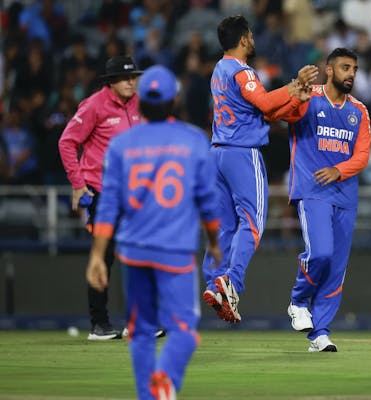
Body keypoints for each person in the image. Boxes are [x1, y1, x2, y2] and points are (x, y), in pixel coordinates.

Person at [86, 65, 221, 400]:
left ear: (141, 101)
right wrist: (216, 242)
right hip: (175, 250)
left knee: (142, 331)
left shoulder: (121, 145)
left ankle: (148, 395)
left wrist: (96, 255)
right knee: (184, 330)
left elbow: (108, 205)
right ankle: (164, 380)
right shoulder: (193, 140)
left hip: (132, 251)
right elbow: (208, 202)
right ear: (174, 100)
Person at [201, 15, 318, 323]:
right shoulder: (242, 71)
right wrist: (294, 85)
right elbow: (266, 104)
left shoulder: (219, 70)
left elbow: (263, 114)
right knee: (252, 224)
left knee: (226, 226)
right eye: (250, 35)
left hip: (218, 153)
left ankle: (214, 283)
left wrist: (294, 98)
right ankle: (232, 283)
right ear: (243, 39)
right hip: (242, 154)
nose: (253, 39)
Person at [282, 48, 371, 352]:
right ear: (329, 70)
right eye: (346, 68)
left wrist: (339, 170)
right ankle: (297, 301)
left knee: (335, 268)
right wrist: (296, 95)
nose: (352, 74)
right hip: (313, 190)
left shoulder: (359, 110)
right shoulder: (310, 95)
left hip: (345, 196)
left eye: (355, 69)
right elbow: (284, 115)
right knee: (320, 254)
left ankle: (319, 333)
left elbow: (362, 155)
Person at [58, 55, 143, 341]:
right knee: (103, 258)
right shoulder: (95, 105)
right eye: (125, 77)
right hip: (102, 194)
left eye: (134, 76)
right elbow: (67, 142)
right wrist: (78, 183)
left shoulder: (138, 104)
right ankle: (100, 324)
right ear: (110, 81)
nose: (132, 81)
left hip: (133, 195)